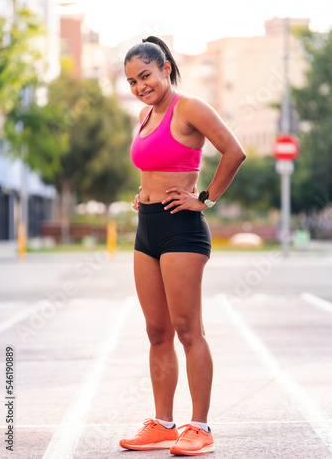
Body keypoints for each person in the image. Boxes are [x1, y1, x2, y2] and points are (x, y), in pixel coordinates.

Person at [119, 36, 246, 456]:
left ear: (166, 69)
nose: (140, 86)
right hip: (147, 228)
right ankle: (162, 424)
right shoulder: (144, 115)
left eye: (146, 76)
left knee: (189, 330)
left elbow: (234, 151)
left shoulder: (188, 107)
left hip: (182, 228)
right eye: (133, 81)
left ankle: (200, 427)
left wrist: (205, 198)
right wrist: (144, 192)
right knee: (157, 332)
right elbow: (155, 165)